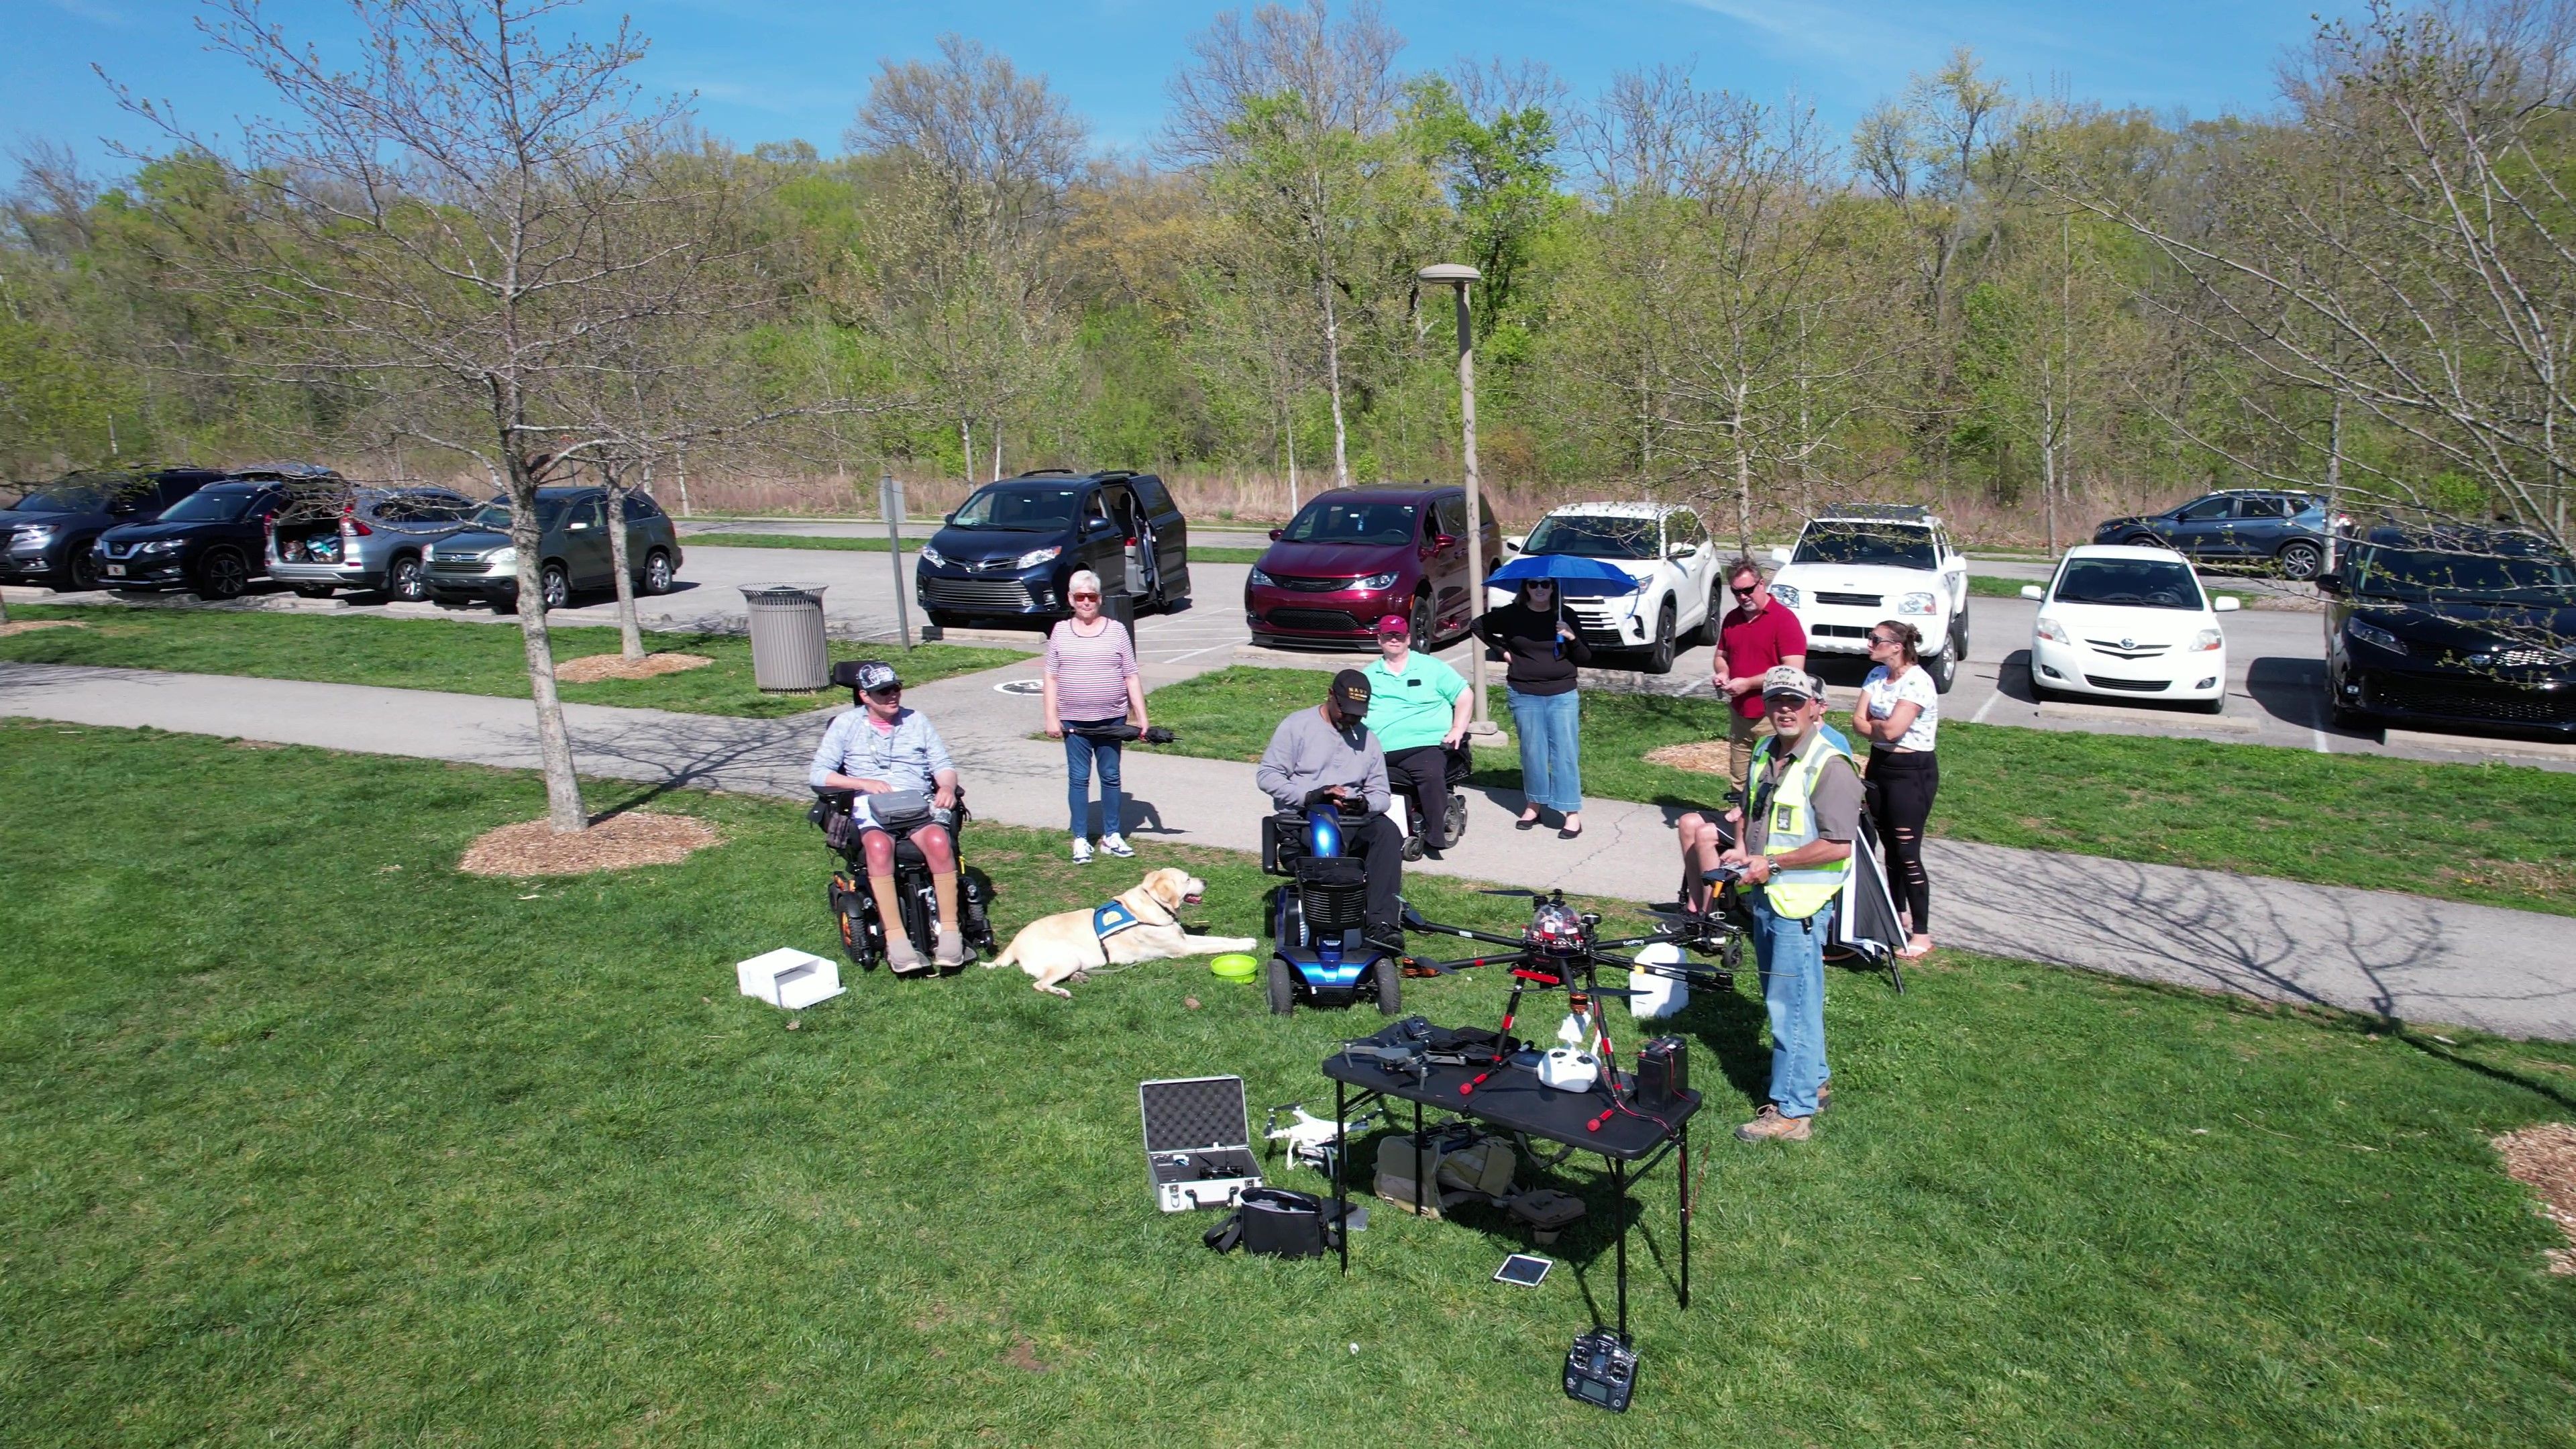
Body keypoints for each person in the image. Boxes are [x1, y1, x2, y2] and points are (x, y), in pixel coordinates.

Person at [1715, 666, 1860, 1143]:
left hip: (1798, 904)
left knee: (1788, 1007)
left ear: (1817, 707)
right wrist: (1741, 849)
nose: (1783, 709)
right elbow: (1752, 807)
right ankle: (1813, 1082)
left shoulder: (1831, 765)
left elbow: (1839, 845)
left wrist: (1771, 865)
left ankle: (1793, 1114)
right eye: (1776, 700)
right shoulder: (1765, 749)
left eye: (1795, 701)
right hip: (1768, 893)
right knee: (1796, 1000)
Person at [808, 660, 965, 973]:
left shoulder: (917, 721)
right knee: (879, 848)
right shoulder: (845, 724)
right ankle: (896, 940)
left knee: (937, 839)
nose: (892, 696)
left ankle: (950, 931)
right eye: (883, 692)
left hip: (915, 801)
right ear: (865, 696)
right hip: (871, 805)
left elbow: (943, 763)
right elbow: (819, 774)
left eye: (896, 688)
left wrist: (946, 786)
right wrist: (862, 784)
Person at [1254, 669, 1405, 951]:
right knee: (1326, 844)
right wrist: (1311, 796)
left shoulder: (1368, 739)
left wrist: (1364, 804)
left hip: (1351, 819)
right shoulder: (1297, 726)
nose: (1351, 719)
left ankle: (1382, 926)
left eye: (1358, 714)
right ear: (1331, 696)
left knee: (1387, 832)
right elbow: (1268, 775)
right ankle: (1327, 928)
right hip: (1305, 818)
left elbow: (1382, 793)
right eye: (1346, 711)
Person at [1470, 576, 1592, 839]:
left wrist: (1570, 636)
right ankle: (1534, 805)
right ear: (1525, 588)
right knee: (1532, 752)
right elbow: (1478, 626)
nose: (1539, 589)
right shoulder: (1512, 615)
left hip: (1562, 694)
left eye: (1545, 584)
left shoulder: (1566, 615)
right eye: (1533, 584)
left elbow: (1584, 657)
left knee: (1565, 753)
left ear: (1553, 588)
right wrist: (1502, 651)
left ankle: (1571, 814)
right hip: (1524, 693)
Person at [1042, 569, 1148, 865]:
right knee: (1078, 780)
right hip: (1074, 723)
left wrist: (1142, 717)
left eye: (1091, 597)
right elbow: (1050, 677)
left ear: (1100, 599)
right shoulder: (1060, 632)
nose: (1086, 602)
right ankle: (1080, 838)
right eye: (1080, 597)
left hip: (1112, 720)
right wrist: (1051, 718)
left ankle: (1112, 836)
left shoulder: (1116, 631)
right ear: (1071, 600)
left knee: (1111, 778)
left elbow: (1131, 676)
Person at [1853, 619, 1939, 959]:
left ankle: (1922, 933)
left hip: (1912, 772)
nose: (1869, 644)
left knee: (1907, 852)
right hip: (1880, 767)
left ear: (1897, 646)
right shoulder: (1876, 677)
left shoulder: (1918, 682)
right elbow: (1858, 723)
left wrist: (1876, 727)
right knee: (1886, 847)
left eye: (1875, 639)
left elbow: (1893, 731)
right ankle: (1895, 916)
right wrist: (1879, 727)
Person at [1360, 611, 1471, 852]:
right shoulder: (1368, 675)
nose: (1394, 640)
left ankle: (1434, 835)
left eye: (1398, 635)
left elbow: (1464, 694)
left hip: (1424, 745)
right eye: (1388, 635)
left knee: (1429, 773)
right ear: (1379, 640)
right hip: (1381, 747)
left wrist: (1458, 728)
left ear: (1408, 639)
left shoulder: (1431, 667)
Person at [1710, 557, 1809, 803]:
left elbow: (1793, 670)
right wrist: (1723, 673)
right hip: (1740, 713)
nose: (1743, 596)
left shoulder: (1784, 620)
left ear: (1762, 584)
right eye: (1736, 592)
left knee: (1772, 780)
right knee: (1739, 782)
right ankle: (1739, 834)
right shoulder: (1732, 619)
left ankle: (1765, 835)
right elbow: (1721, 656)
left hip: (1773, 714)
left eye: (1748, 590)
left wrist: (1748, 683)